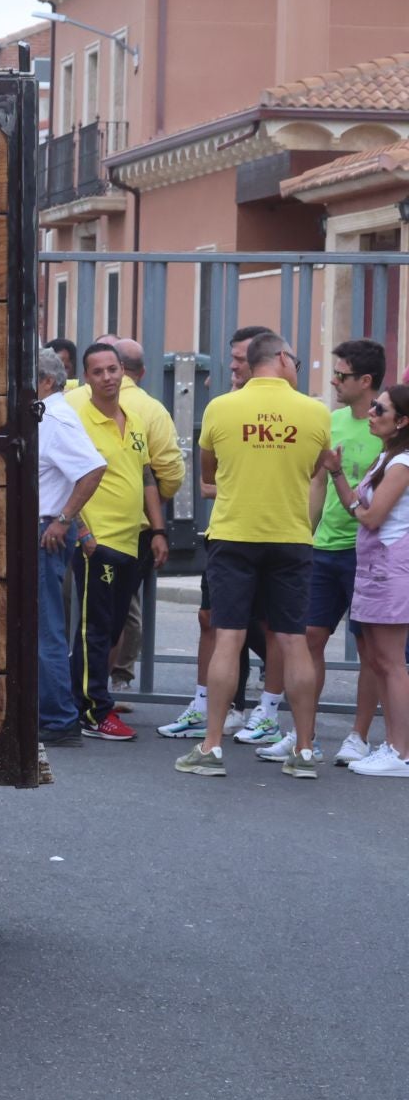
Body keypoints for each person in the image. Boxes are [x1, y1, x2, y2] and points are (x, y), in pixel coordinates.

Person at [176, 332, 329, 778]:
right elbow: (314, 467)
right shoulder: (315, 412)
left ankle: (210, 748)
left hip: (234, 534)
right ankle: (302, 751)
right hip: (291, 535)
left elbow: (210, 473)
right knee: (293, 640)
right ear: (282, 358)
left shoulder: (221, 407)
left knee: (229, 637)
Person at [261, 339, 385, 768]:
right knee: (310, 639)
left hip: (368, 554)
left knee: (370, 648)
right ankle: (303, 734)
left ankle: (359, 736)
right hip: (325, 548)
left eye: (342, 374)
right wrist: (306, 533)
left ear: (365, 381)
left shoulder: (385, 429)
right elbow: (317, 482)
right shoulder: (328, 422)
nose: (333, 380)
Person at [158, 324, 275, 741]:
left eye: (241, 358)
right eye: (233, 358)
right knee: (214, 618)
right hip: (227, 532)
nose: (234, 366)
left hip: (270, 535)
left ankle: (264, 706)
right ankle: (214, 704)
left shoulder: (286, 411)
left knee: (271, 628)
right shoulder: (224, 407)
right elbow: (206, 482)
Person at [66, 342, 165, 741]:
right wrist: (83, 531)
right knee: (94, 629)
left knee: (110, 629)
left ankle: (89, 704)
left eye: (112, 369)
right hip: (97, 542)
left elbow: (146, 478)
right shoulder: (78, 418)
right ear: (86, 378)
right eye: (98, 371)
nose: (108, 377)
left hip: (131, 540)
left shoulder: (134, 419)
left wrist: (157, 530)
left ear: (124, 371)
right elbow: (68, 477)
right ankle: (92, 712)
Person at [329, 383, 409, 777]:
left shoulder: (402, 463)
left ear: (403, 421)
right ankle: (392, 746)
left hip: (391, 570)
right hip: (374, 568)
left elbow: (372, 517)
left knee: (392, 663)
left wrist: (362, 509)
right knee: (377, 660)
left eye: (381, 408)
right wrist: (336, 472)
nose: (372, 413)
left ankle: (400, 750)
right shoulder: (386, 458)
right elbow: (355, 507)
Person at [104, 338, 185, 699]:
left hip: (84, 525)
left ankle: (86, 690)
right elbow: (170, 470)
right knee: (122, 607)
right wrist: (154, 512)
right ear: (143, 371)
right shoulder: (151, 410)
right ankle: (114, 680)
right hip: (135, 528)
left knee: (87, 612)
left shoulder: (78, 400)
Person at [34, 347, 105, 748]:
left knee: (46, 628)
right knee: (43, 626)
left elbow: (92, 468)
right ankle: (53, 713)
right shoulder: (51, 414)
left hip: (45, 530)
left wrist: (64, 519)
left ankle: (59, 718)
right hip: (47, 527)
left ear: (45, 381)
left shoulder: (56, 417)